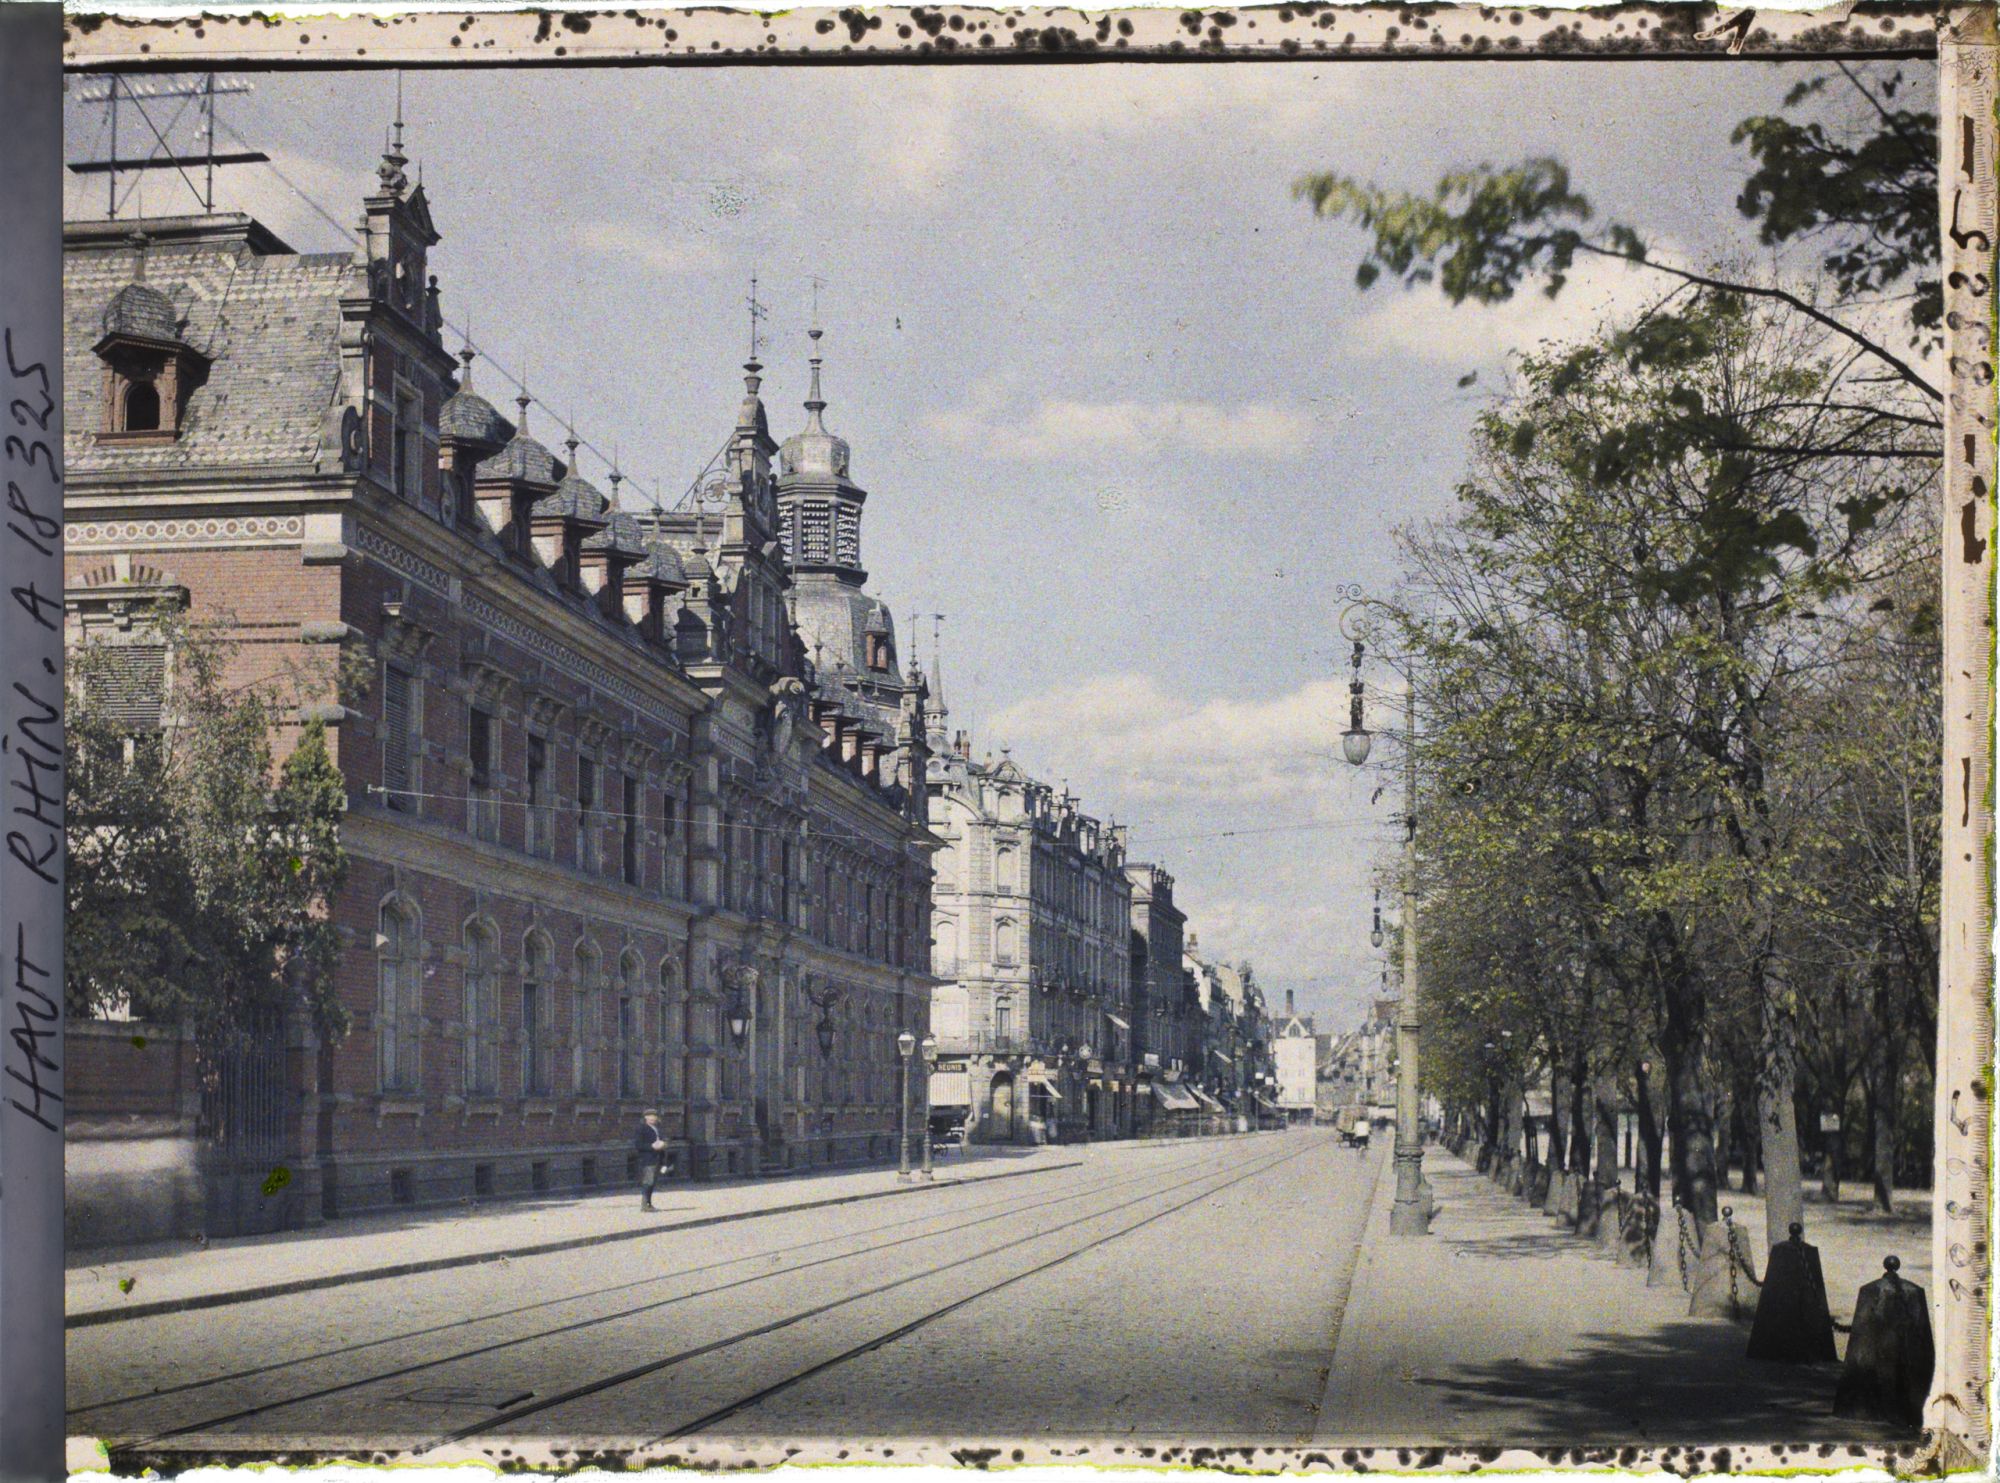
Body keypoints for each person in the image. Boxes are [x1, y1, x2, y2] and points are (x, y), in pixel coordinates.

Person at [633, 1109, 667, 1211]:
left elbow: (661, 1142)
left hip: (657, 1158)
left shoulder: (657, 1129)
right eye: (650, 1116)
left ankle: (649, 1204)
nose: (653, 1118)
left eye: (654, 1116)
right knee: (648, 1181)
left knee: (653, 1182)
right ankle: (644, 1205)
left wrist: (664, 1145)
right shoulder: (641, 1129)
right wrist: (652, 1146)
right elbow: (638, 1145)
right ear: (646, 1117)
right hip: (647, 1159)